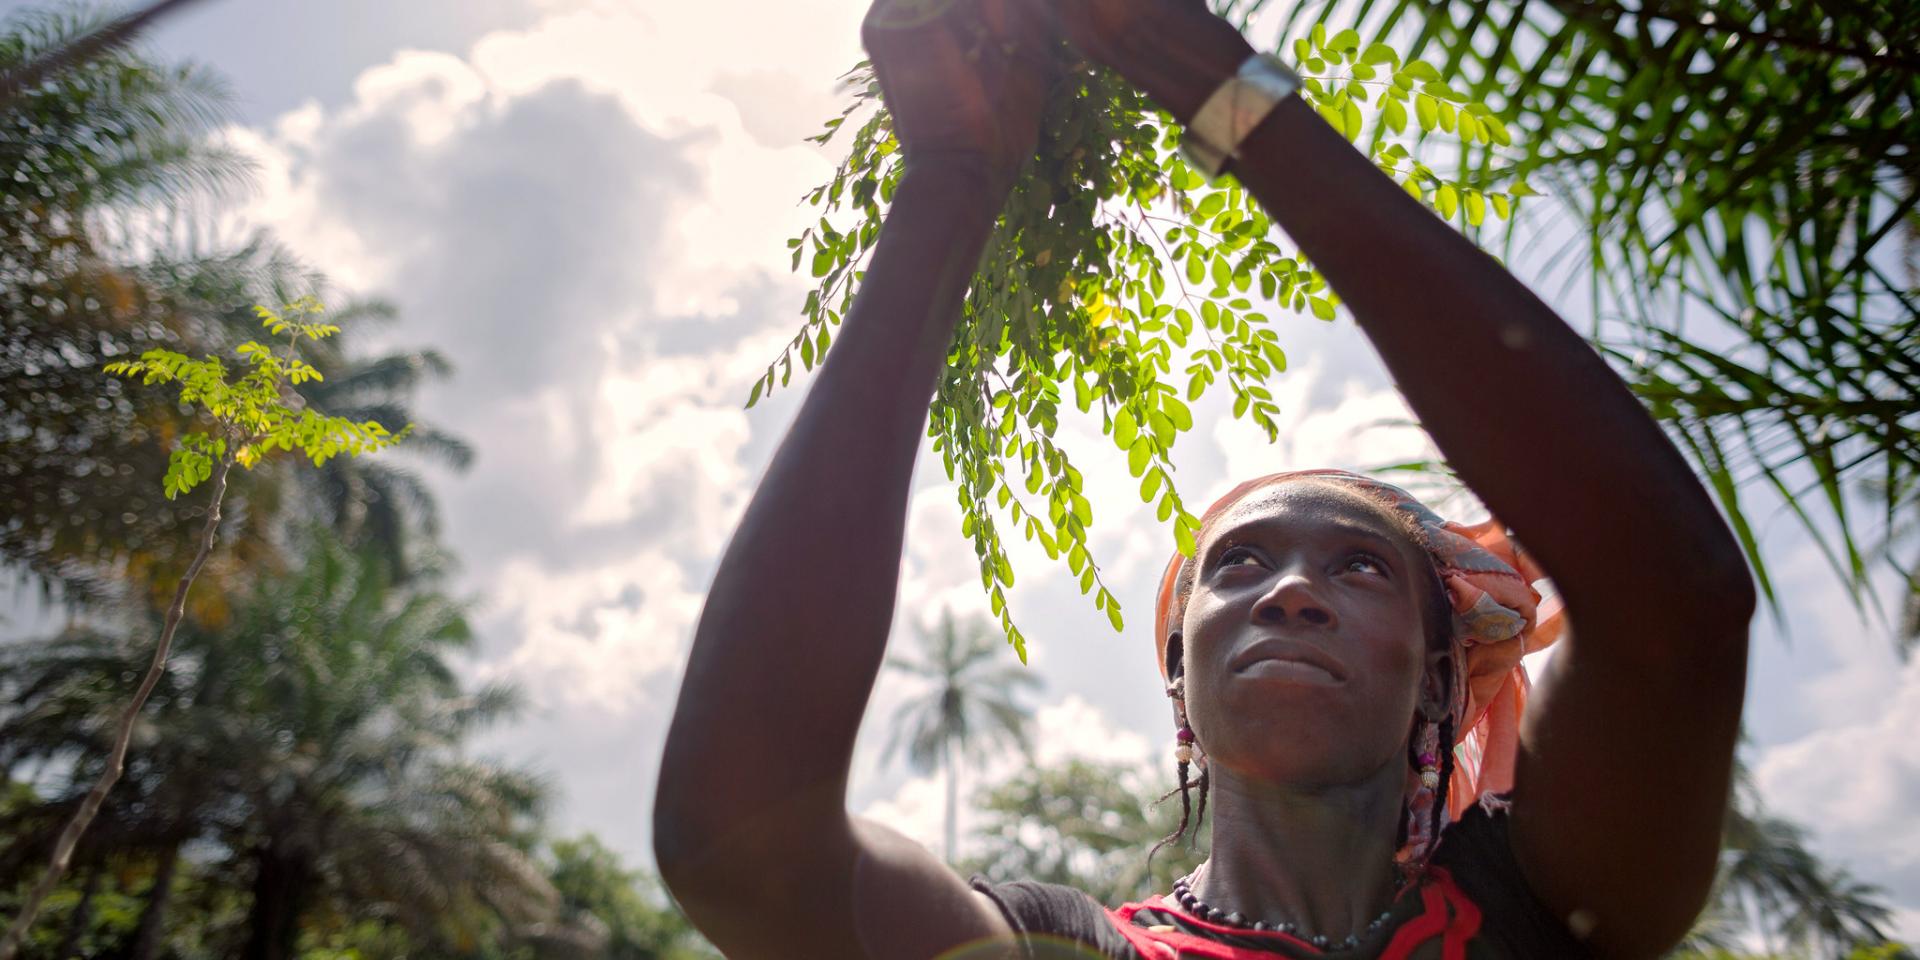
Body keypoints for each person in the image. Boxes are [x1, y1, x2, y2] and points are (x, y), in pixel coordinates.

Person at [652, 0, 1756, 957]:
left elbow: (1679, 604)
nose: (1291, 590)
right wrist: (949, 176)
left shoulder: (1539, 910)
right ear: (1181, 677)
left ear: (1437, 677)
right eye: (1237, 566)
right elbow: (741, 848)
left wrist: (1230, 97)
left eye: (1361, 566)